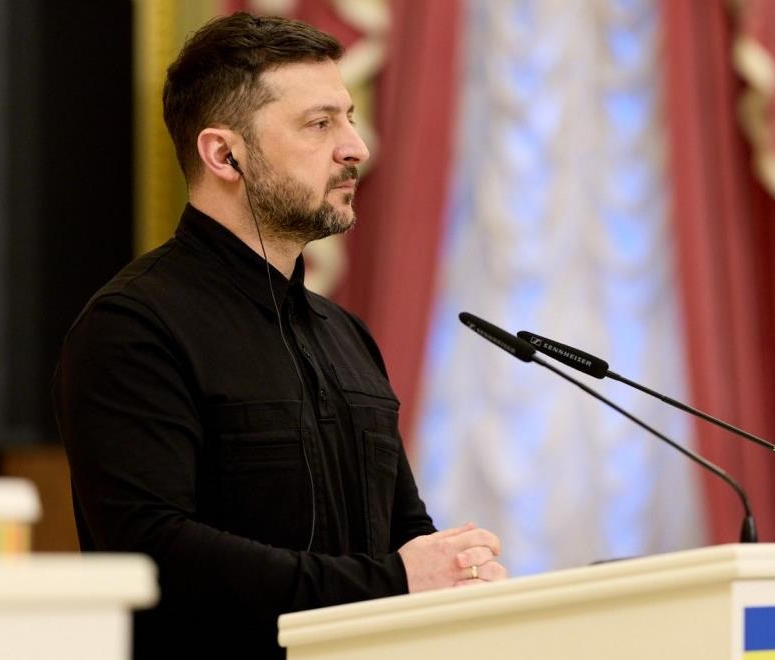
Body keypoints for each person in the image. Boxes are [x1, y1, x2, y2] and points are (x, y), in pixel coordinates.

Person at [52, 12, 506, 659]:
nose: (356, 148)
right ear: (223, 154)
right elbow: (155, 555)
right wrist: (395, 580)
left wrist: (458, 571)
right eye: (319, 124)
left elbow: (403, 532)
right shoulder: (132, 327)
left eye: (349, 118)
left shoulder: (346, 334)